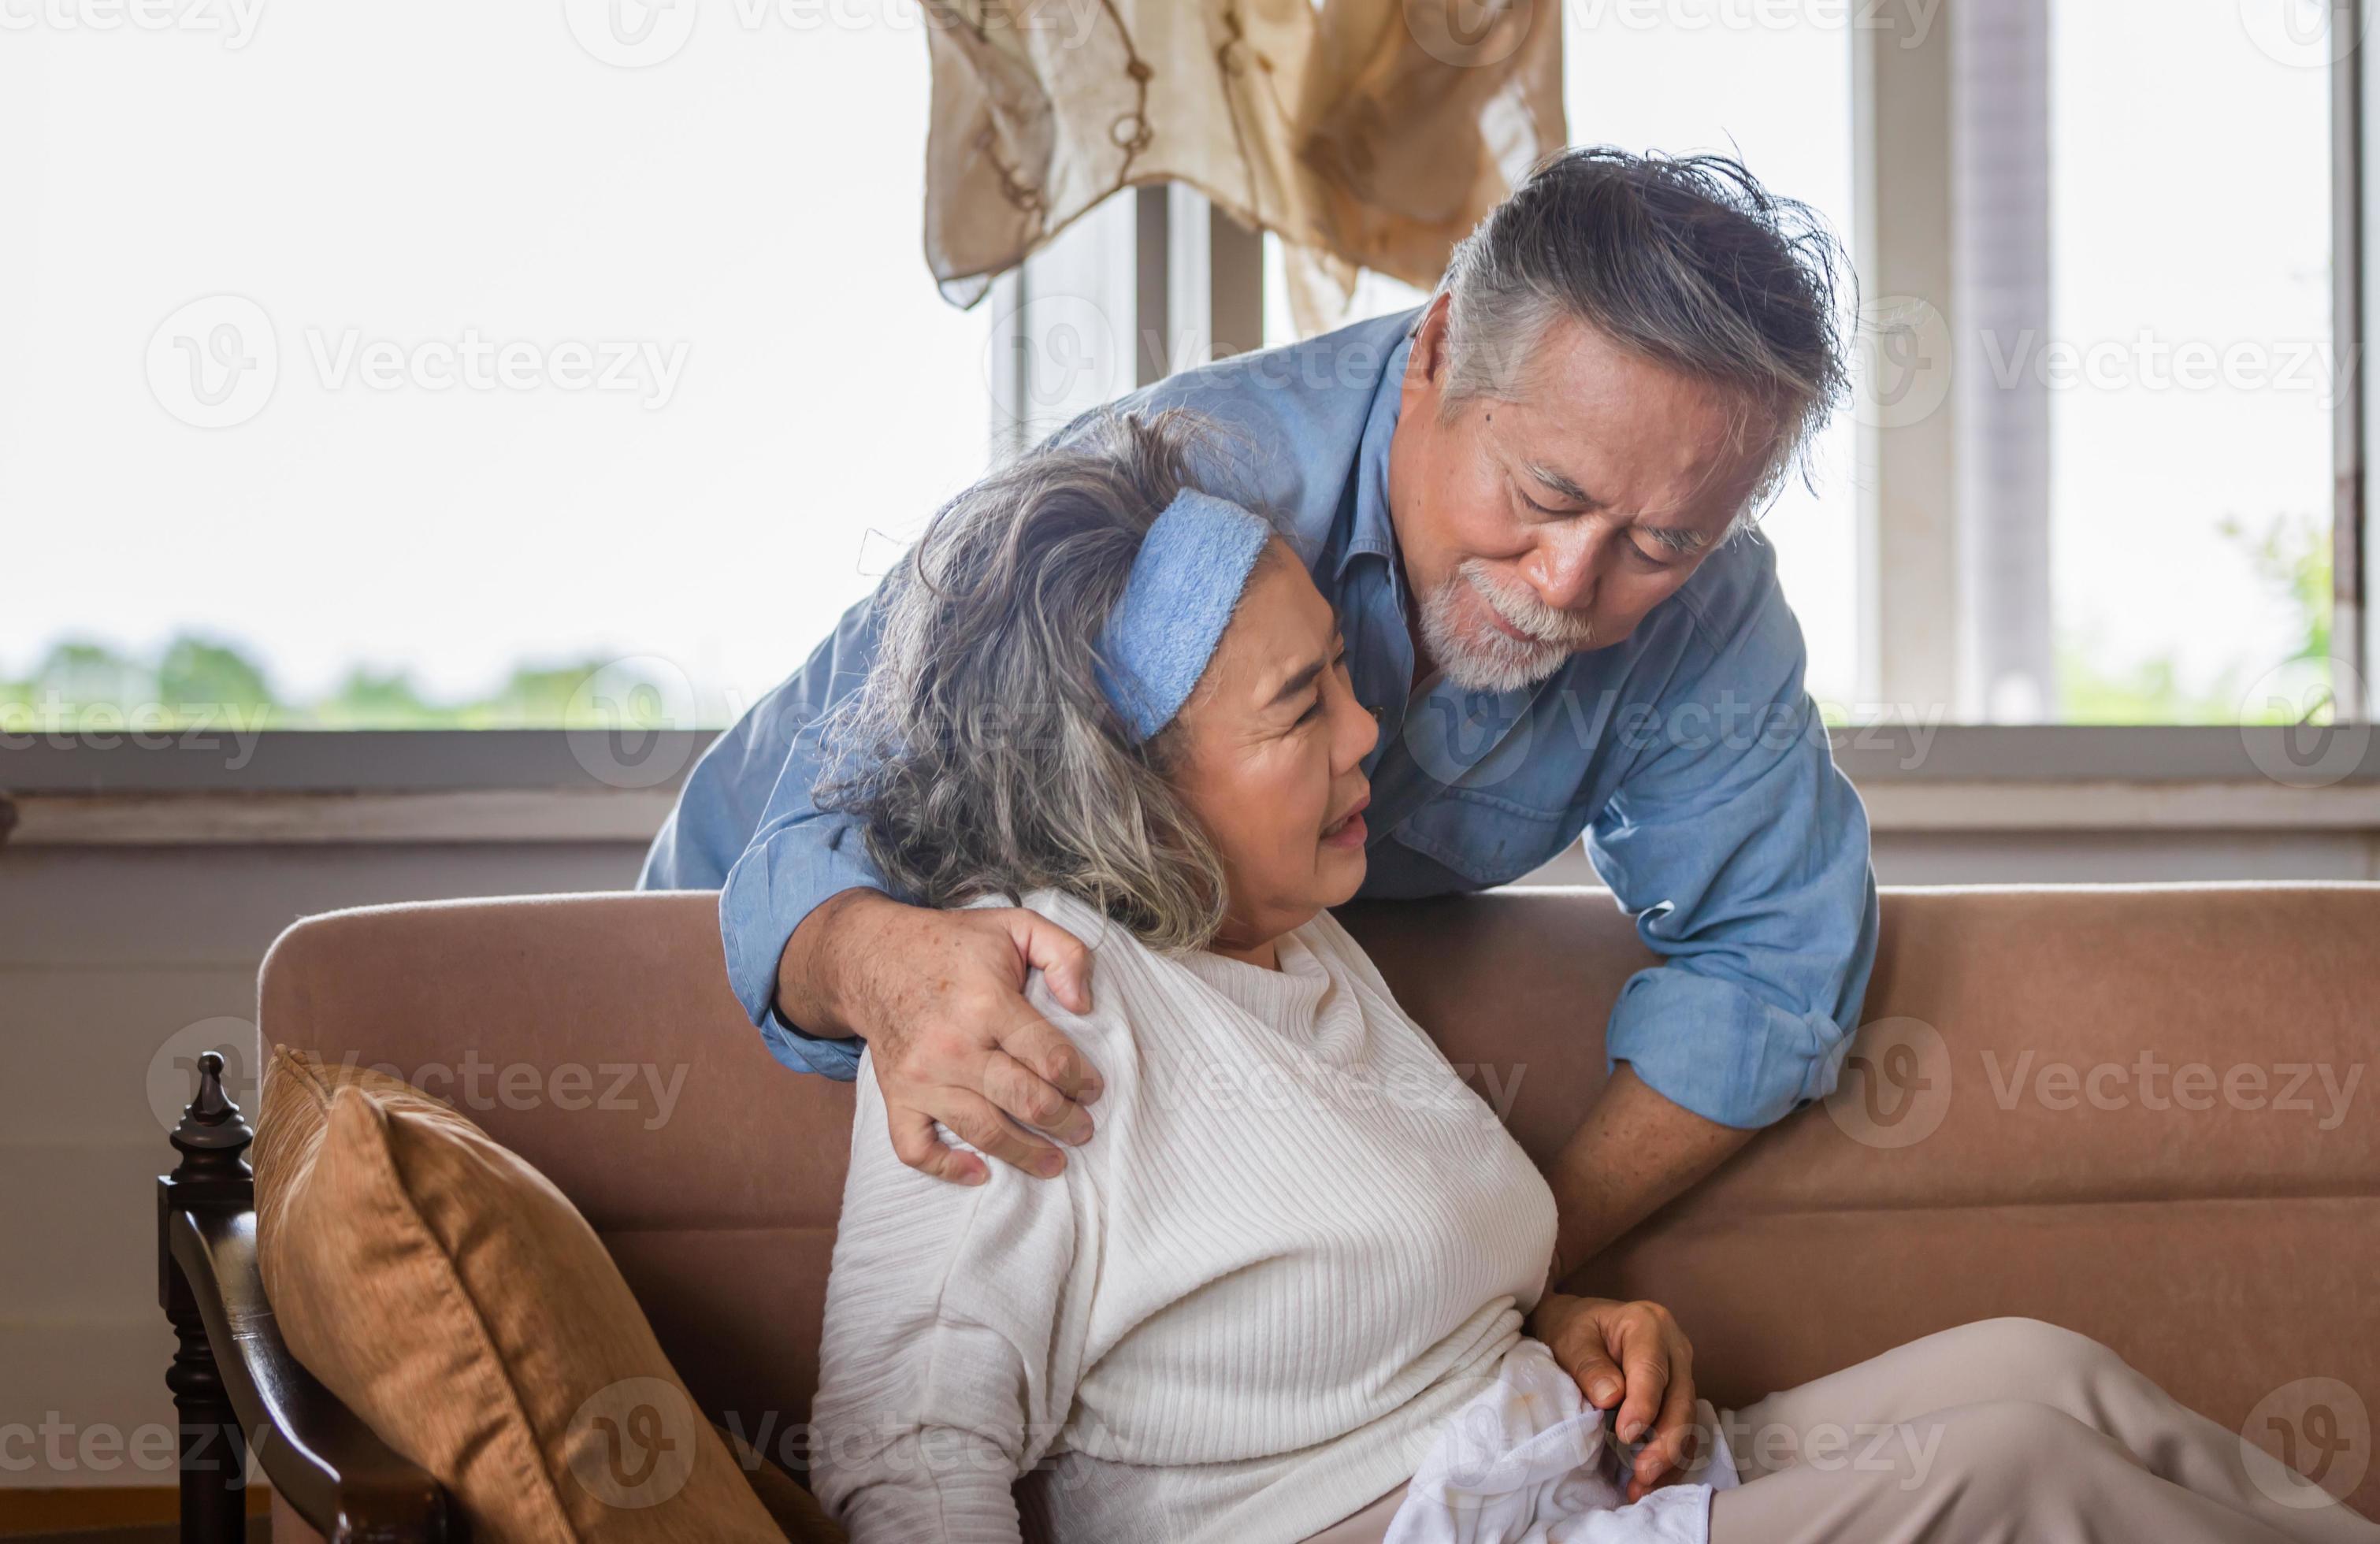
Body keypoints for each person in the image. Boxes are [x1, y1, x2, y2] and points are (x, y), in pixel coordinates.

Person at [806, 413, 2378, 1544]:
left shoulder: (1292, 939)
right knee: (2027, 1474)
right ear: (1130, 785)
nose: (1367, 735)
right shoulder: (1020, 1004)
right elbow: (899, 1451)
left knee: (2045, 1374)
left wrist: (1562, 1315)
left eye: (1343, 674)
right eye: (1302, 708)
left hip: (1540, 1465)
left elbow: (1330, 1280)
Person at [641, 149, 1881, 1287]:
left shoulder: (1709, 608)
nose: (1568, 584)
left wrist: (1507, 1278)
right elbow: (820, 831)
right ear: (1439, 350)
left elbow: (1775, 964)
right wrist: (876, 965)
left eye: (1660, 541)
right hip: (752, 944)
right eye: (1543, 493)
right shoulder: (1185, 482)